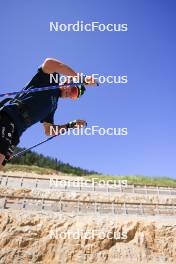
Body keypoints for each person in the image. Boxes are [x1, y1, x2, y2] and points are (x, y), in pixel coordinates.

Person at [0, 58, 89, 168]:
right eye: (73, 90)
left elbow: (49, 131)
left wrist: (70, 125)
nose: (70, 94)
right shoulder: (52, 80)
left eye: (74, 95)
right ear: (68, 82)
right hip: (9, 117)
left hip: (17, 132)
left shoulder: (53, 106)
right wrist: (78, 77)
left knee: (1, 164)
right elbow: (49, 63)